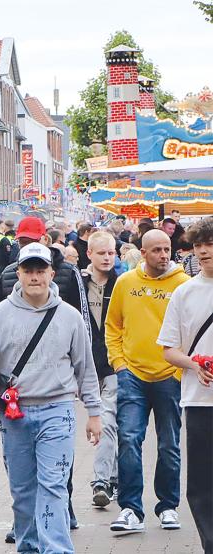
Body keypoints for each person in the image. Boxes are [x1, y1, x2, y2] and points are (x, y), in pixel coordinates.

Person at [0, 243, 102, 554]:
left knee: (53, 486)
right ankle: (28, 546)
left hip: (59, 410)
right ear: (18, 274)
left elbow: (85, 367)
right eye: (28, 270)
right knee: (23, 490)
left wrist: (94, 412)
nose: (35, 277)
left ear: (52, 273)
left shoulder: (69, 317)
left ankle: (56, 549)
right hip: (15, 415)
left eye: (41, 270)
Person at [105, 229, 190, 533]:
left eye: (167, 249)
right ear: (143, 253)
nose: (163, 255)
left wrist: (181, 370)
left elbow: (191, 331)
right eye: (156, 250)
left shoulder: (183, 284)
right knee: (129, 440)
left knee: (169, 445)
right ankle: (131, 509)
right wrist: (119, 364)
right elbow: (112, 324)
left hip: (170, 376)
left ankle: (168, 507)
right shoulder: (126, 283)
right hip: (133, 376)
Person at [158, 217, 213, 552]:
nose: (204, 251)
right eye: (198, 245)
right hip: (198, 402)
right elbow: (168, 348)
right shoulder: (184, 292)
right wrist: (194, 364)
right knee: (202, 484)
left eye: (210, 244)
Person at [82, 231, 121, 507]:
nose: (107, 257)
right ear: (90, 255)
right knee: (108, 423)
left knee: (107, 421)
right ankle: (115, 477)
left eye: (111, 253)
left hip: (114, 364)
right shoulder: (77, 284)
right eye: (102, 253)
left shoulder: (122, 285)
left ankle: (101, 481)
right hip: (85, 365)